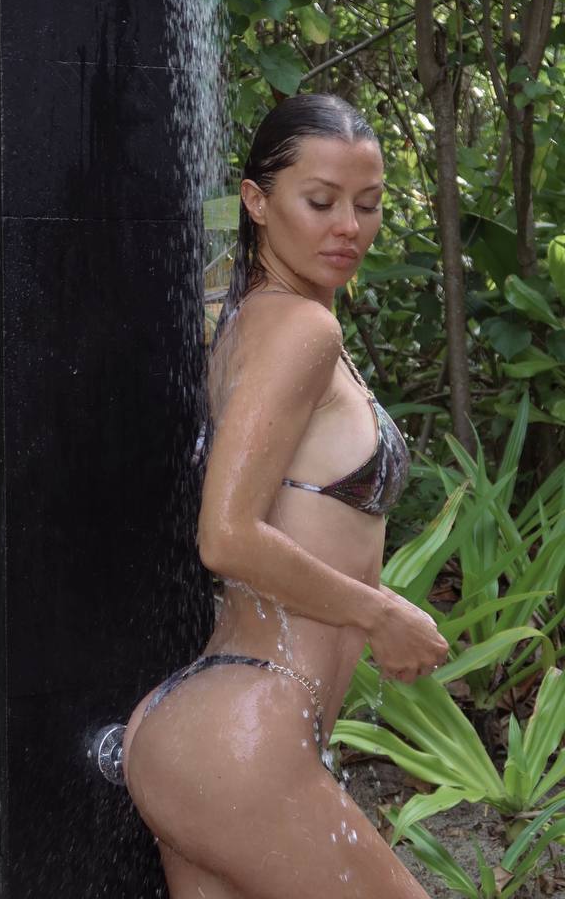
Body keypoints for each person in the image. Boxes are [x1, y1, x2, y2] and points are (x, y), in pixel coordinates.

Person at [121, 94, 450, 898]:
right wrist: (380, 614)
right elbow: (227, 537)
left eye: (368, 204)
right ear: (257, 201)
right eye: (321, 201)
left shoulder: (250, 320)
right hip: (243, 739)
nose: (349, 227)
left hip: (209, 727)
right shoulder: (302, 332)